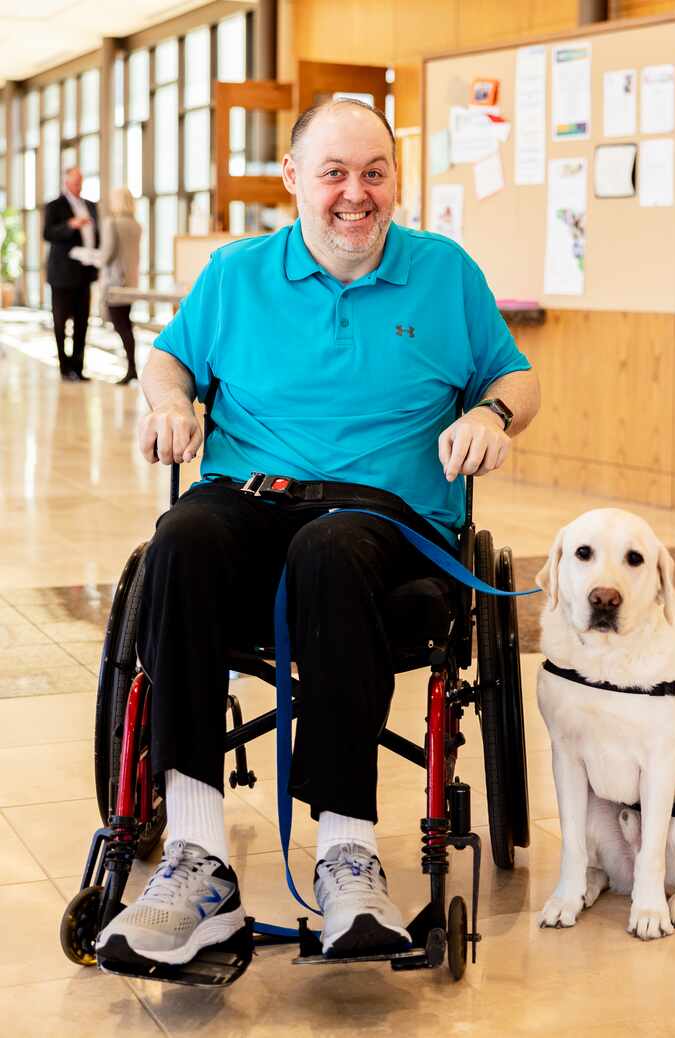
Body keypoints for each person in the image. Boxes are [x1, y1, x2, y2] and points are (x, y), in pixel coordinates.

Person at [96, 100, 540, 969]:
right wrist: (171, 403)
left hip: (382, 522)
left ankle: (347, 851)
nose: (354, 194)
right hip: (249, 497)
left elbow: (517, 377)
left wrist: (492, 413)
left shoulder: (444, 272)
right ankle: (198, 862)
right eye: (333, 172)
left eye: (374, 173)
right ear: (294, 178)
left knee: (327, 549)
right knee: (180, 538)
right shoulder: (237, 273)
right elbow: (167, 357)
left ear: (395, 180)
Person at [43, 167, 99, 381]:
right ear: (66, 183)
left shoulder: (91, 206)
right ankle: (64, 367)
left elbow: (97, 234)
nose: (79, 185)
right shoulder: (55, 206)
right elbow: (47, 233)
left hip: (85, 272)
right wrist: (70, 225)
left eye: (81, 181)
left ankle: (78, 367)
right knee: (60, 322)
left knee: (82, 322)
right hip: (62, 275)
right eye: (75, 182)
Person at [100, 186, 142, 384]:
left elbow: (107, 255)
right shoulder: (136, 225)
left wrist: (88, 256)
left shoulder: (112, 223)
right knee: (126, 324)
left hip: (115, 284)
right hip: (131, 283)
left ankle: (131, 369)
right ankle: (132, 367)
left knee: (120, 325)